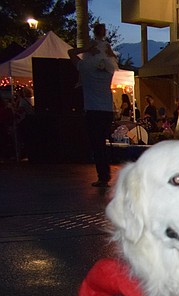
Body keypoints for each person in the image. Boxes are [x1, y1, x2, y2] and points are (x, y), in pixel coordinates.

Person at [68, 23, 119, 188]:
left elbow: (71, 53)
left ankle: (103, 176)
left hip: (93, 110)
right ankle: (105, 174)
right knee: (102, 143)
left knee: (97, 145)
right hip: (107, 109)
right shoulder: (109, 70)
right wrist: (109, 52)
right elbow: (114, 59)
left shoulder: (85, 67)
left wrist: (86, 50)